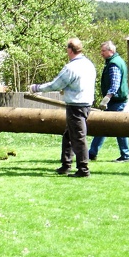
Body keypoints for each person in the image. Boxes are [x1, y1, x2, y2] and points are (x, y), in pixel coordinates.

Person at [29, 37, 96, 177]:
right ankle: (66, 164)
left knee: (78, 137)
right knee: (69, 135)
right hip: (86, 103)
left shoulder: (71, 67)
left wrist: (36, 88)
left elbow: (55, 85)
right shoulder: (89, 64)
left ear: (70, 50)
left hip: (75, 105)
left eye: (67, 48)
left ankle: (83, 169)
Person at [89, 41, 129, 162]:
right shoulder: (117, 60)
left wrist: (106, 99)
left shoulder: (114, 64)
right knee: (103, 126)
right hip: (117, 100)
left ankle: (125, 155)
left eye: (103, 51)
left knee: (117, 127)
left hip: (116, 101)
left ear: (110, 51)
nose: (101, 53)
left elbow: (115, 84)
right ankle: (92, 152)